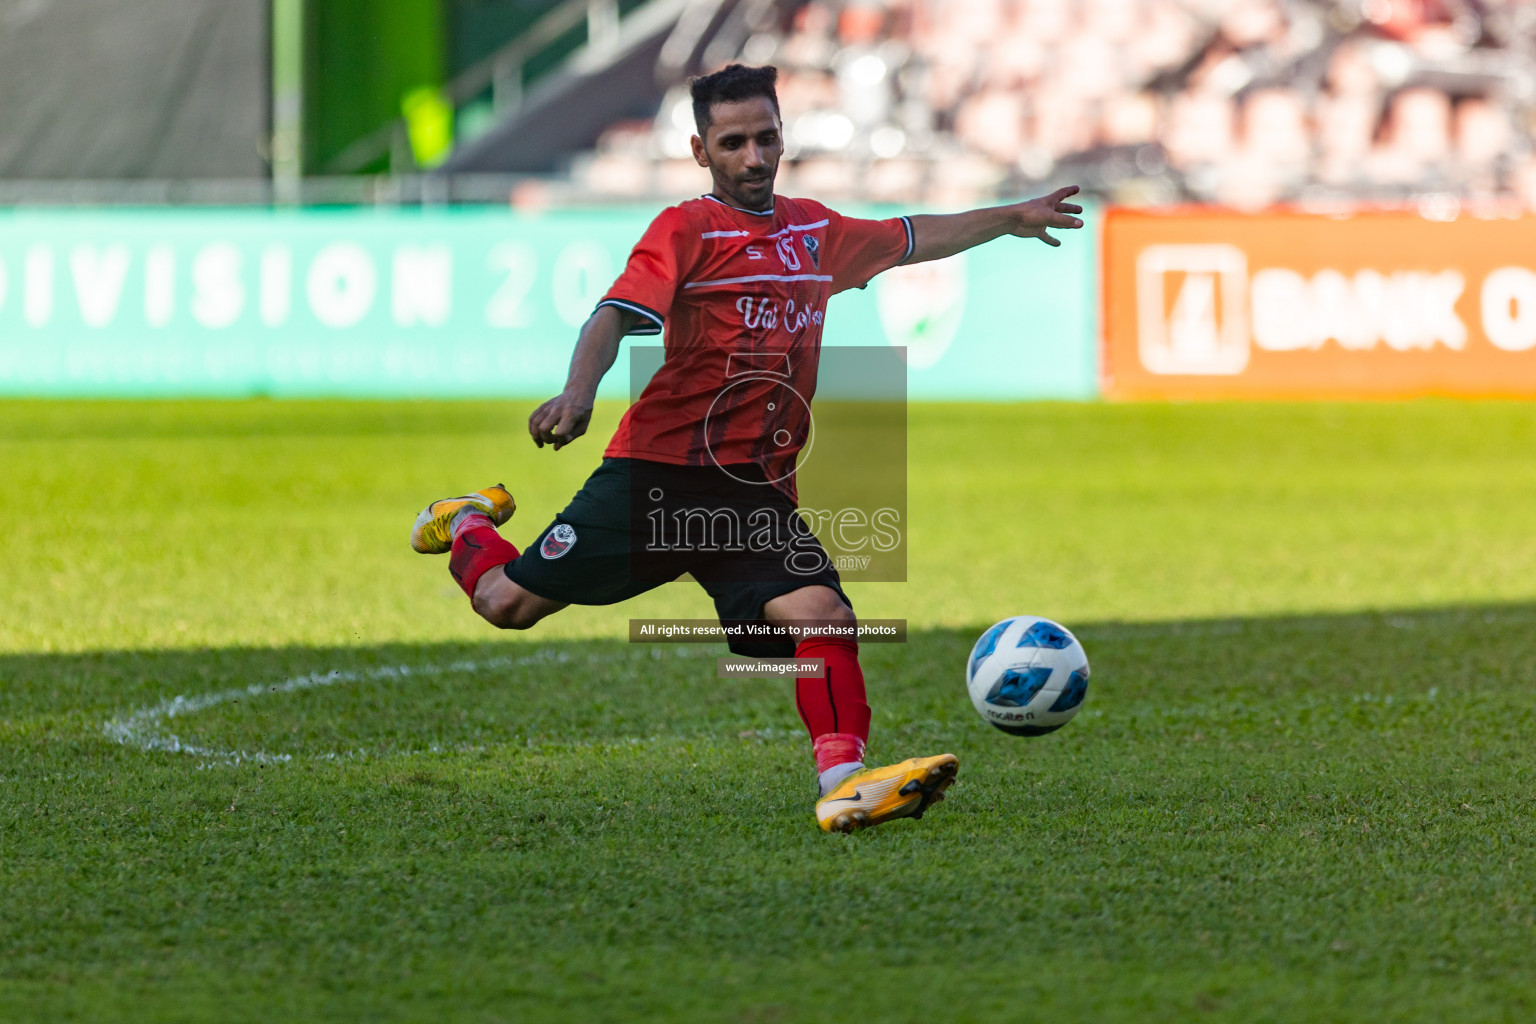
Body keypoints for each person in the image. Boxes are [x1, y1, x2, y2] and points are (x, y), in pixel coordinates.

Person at [410, 63, 1083, 833]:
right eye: (734, 143)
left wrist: (1009, 217)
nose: (755, 158)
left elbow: (911, 238)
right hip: (654, 478)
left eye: (767, 138)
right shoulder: (684, 230)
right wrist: (579, 393)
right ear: (702, 151)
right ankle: (466, 524)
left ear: (784, 137)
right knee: (508, 604)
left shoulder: (815, 230)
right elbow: (612, 316)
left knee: (824, 614)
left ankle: (845, 782)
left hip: (754, 493)